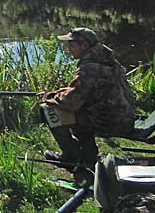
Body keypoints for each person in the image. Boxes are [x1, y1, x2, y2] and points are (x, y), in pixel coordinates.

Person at [39, 27, 136, 176]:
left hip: (111, 123)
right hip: (124, 118)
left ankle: (73, 157)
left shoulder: (89, 68)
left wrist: (48, 97)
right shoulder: (107, 60)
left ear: (84, 45)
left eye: (72, 45)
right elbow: (84, 90)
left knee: (48, 109)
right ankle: (89, 158)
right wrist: (56, 93)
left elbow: (70, 102)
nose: (68, 49)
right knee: (80, 111)